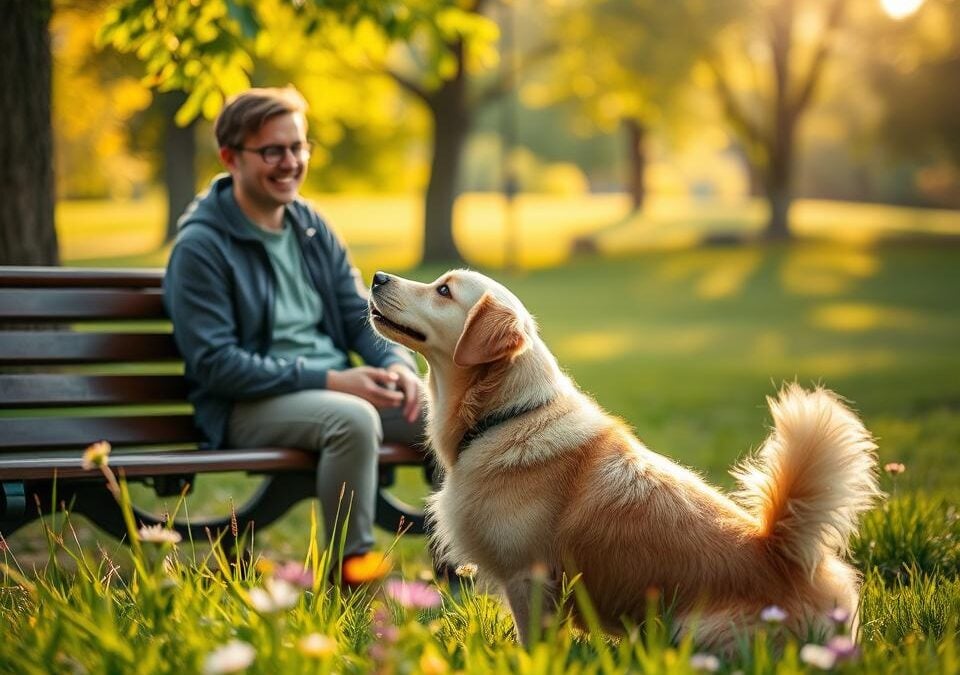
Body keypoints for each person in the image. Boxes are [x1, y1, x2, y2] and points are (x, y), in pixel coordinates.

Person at [164, 86, 423, 584]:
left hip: (333, 388)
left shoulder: (309, 226)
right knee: (352, 419)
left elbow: (357, 315)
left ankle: (472, 554)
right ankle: (351, 580)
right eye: (272, 151)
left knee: (452, 412)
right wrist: (332, 381)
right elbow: (216, 364)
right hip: (246, 405)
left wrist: (397, 364)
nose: (290, 163)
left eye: (298, 147)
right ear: (230, 157)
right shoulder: (201, 246)